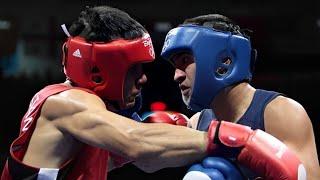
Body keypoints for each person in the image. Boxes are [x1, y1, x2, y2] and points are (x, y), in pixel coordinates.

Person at [0, 6, 306, 180]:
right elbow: (136, 143)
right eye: (134, 69)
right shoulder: (67, 103)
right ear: (101, 68)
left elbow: (142, 157)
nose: (144, 79)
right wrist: (239, 141)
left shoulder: (83, 128)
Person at [161, 14, 320, 179]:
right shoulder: (196, 123)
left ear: (224, 61)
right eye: (175, 65)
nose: (176, 75)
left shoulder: (282, 113)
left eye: (185, 60)